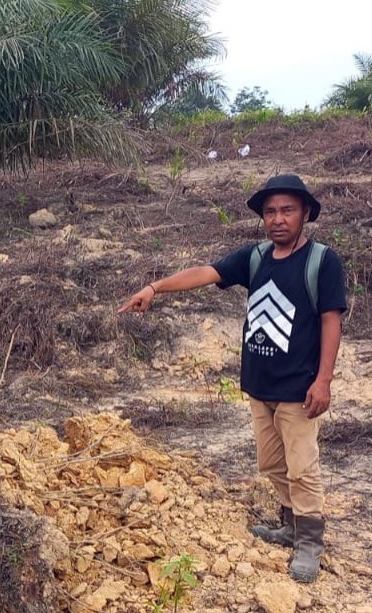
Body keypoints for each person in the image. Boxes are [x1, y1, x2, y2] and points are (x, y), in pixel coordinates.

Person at [117, 174, 347, 583]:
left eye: (287, 210)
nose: (278, 219)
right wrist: (155, 287)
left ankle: (310, 541)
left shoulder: (321, 261)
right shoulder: (254, 257)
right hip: (260, 384)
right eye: (270, 211)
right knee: (273, 463)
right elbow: (205, 273)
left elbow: (331, 321)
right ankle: (289, 524)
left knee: (302, 466)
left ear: (306, 213)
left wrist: (324, 380)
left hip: (300, 387)